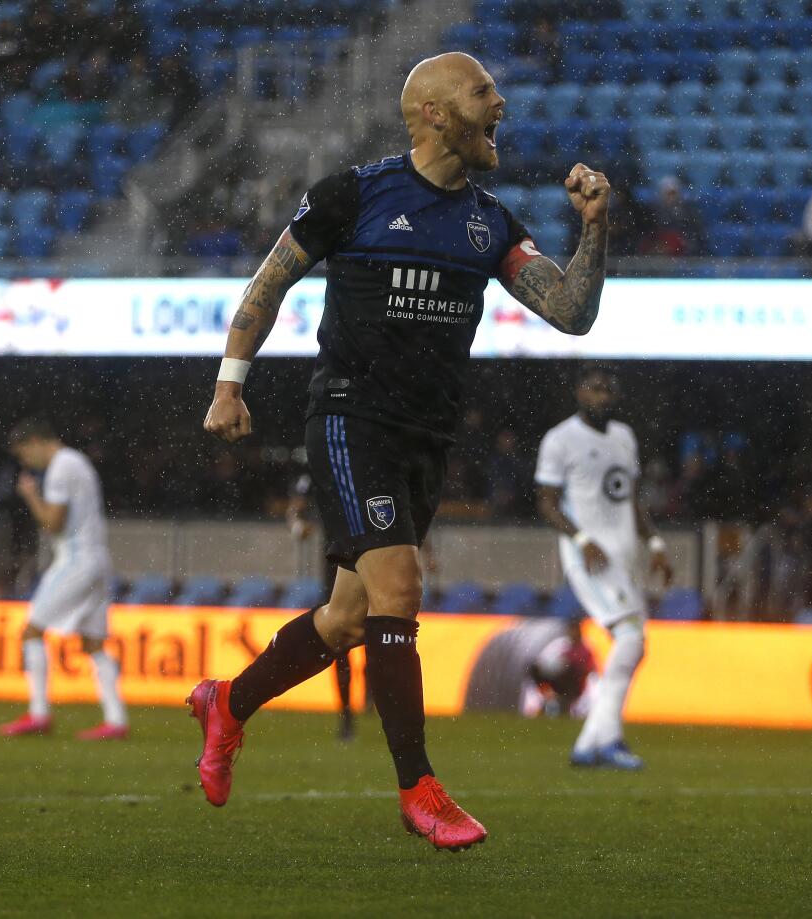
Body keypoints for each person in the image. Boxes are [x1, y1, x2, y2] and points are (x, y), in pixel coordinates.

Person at [192, 51, 611, 851]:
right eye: (484, 91)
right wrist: (229, 383)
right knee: (400, 585)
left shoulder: (490, 222)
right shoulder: (355, 195)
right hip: (352, 416)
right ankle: (418, 786)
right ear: (434, 113)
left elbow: (569, 310)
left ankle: (228, 704)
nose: (502, 104)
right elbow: (269, 282)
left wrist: (596, 229)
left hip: (427, 434)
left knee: (348, 616)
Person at [535, 367, 673, 769]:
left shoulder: (623, 437)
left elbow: (630, 499)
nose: (602, 397)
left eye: (609, 390)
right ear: (579, 393)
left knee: (634, 644)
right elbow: (546, 501)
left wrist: (656, 544)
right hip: (589, 556)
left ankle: (590, 743)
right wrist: (581, 539)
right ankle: (607, 739)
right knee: (630, 639)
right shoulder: (560, 440)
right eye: (594, 389)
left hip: (625, 554)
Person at [0, 419, 128, 740]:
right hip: (98, 558)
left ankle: (39, 714)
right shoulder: (78, 461)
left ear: (36, 441)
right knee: (94, 642)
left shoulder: (59, 468)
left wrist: (30, 495)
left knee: (31, 631)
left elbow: (53, 524)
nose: (26, 463)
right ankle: (116, 720)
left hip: (76, 560)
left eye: (24, 455)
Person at [286, 451, 357, 742]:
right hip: (337, 567)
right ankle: (347, 714)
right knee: (340, 645)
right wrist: (297, 526)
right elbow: (295, 511)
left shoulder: (364, 468)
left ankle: (373, 706)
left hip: (370, 562)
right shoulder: (319, 474)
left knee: (378, 638)